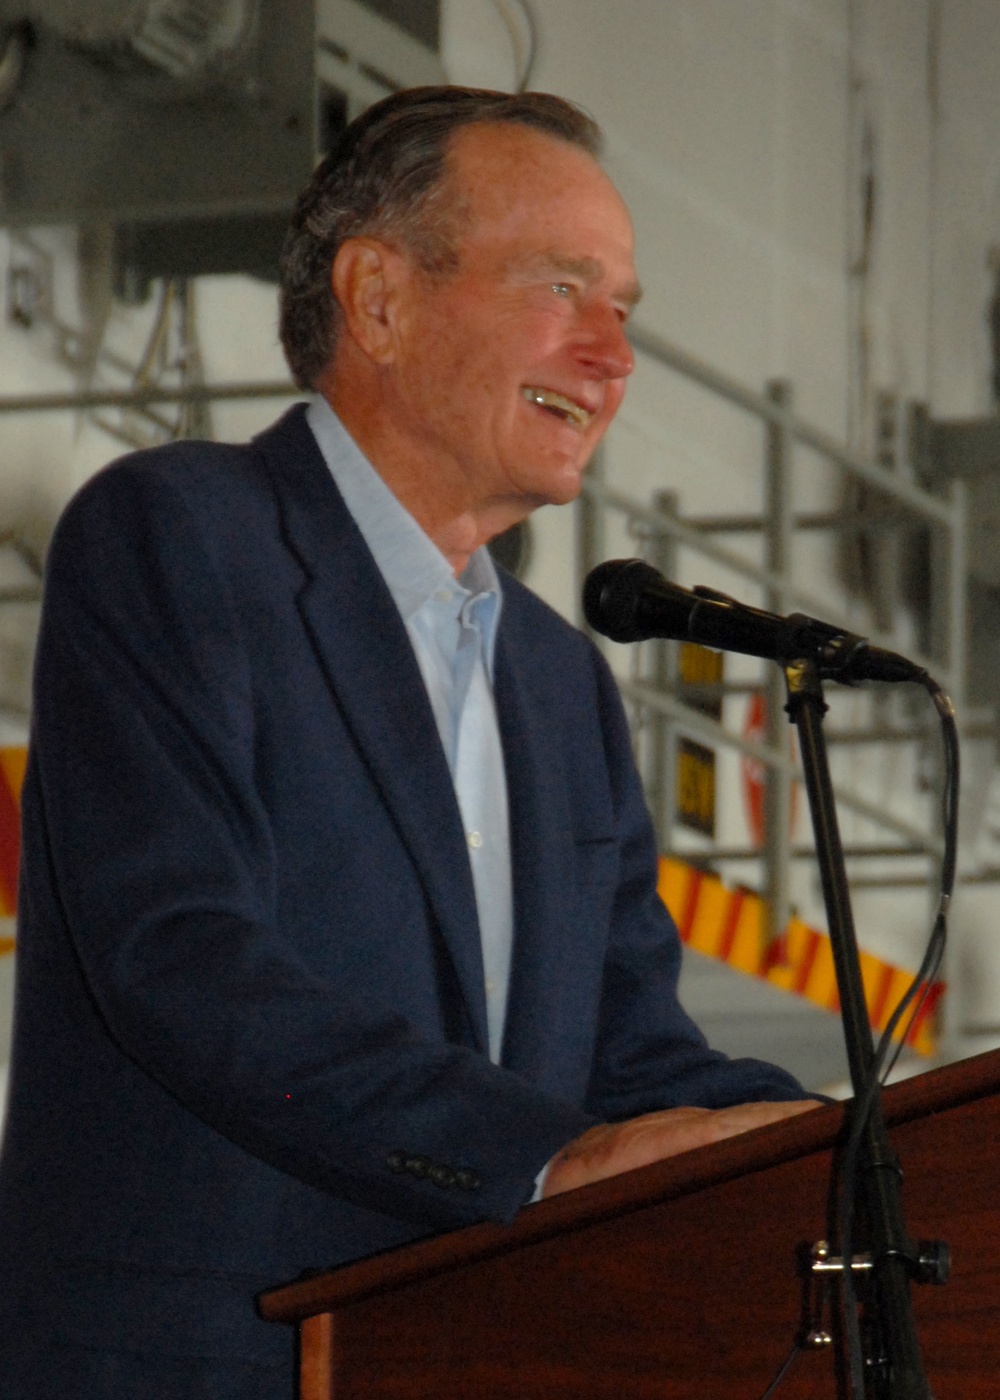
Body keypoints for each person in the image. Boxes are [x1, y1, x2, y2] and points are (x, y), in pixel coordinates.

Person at [0, 87, 817, 1398]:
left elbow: (633, 1059)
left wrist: (854, 1154)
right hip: (200, 1368)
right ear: (378, 298)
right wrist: (542, 1161)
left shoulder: (561, 682)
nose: (612, 357)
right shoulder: (178, 537)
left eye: (627, 310)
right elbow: (188, 960)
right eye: (564, 288)